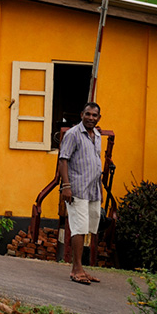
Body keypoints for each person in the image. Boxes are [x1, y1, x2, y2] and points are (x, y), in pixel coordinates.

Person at [57, 101, 103, 284]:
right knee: (78, 228)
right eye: (88, 114)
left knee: (89, 228)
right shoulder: (73, 134)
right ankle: (76, 269)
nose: (91, 118)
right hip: (77, 188)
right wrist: (66, 186)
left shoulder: (97, 135)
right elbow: (63, 160)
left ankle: (82, 268)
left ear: (99, 118)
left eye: (94, 115)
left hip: (93, 190)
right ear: (81, 114)